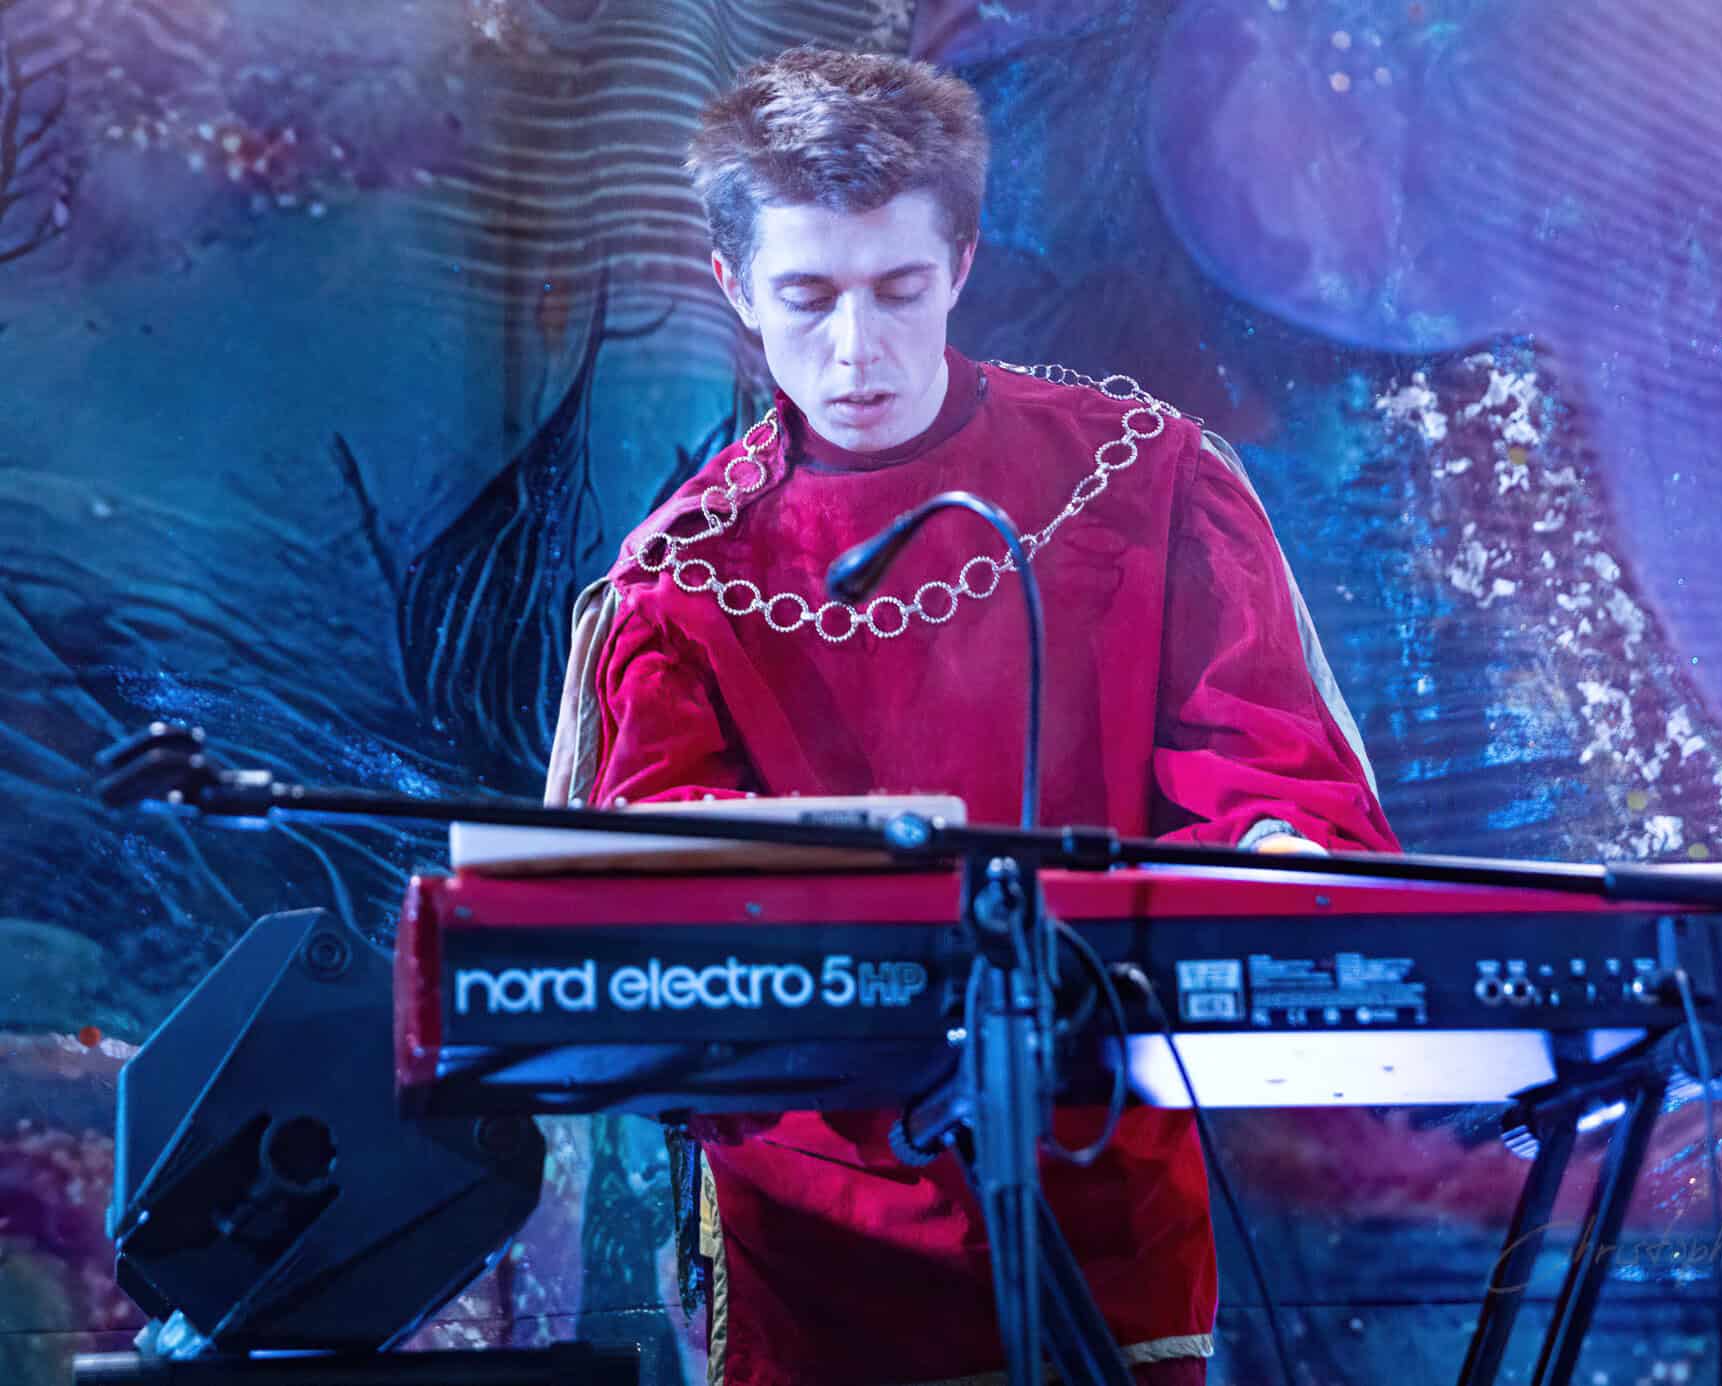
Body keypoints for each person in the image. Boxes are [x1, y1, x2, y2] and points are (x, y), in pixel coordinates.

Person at [545, 45, 1399, 1386]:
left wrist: (1278, 856)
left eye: (898, 290)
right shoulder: (682, 577)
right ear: (733, 289)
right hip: (820, 1247)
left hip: (1105, 1188)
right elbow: (669, 903)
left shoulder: (1148, 478)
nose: (856, 350)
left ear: (962, 263)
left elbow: (1268, 773)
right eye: (806, 297)